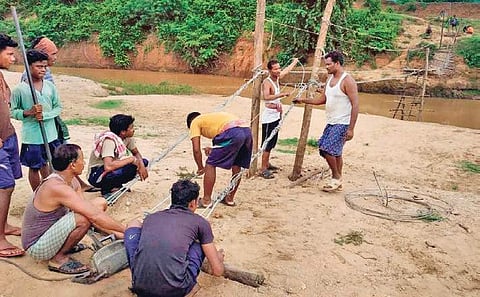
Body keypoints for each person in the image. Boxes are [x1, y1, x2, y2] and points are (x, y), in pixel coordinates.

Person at [21, 144, 125, 274]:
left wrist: (119, 235)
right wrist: (127, 231)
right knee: (83, 218)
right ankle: (58, 259)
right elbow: (92, 216)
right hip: (36, 246)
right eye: (82, 159)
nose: (84, 162)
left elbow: (91, 213)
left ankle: (64, 247)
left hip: (50, 233)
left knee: (100, 202)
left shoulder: (71, 180)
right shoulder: (57, 187)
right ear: (73, 165)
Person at [125, 179, 225, 297]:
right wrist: (218, 258)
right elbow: (218, 271)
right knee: (199, 243)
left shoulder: (152, 217)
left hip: (139, 286)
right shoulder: (200, 222)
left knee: (134, 224)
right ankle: (189, 288)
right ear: (193, 203)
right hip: (175, 291)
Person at [293, 51, 359, 192]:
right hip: (331, 121)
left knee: (325, 148)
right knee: (336, 152)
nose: (326, 67)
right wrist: (303, 100)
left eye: (329, 64)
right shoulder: (329, 79)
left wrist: (351, 128)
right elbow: (322, 99)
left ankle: (336, 178)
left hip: (343, 122)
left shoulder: (348, 81)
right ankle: (338, 178)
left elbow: (355, 105)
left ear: (337, 63)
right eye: (325, 64)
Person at [10, 49, 62, 191]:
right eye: (39, 66)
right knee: (35, 167)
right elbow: (12, 112)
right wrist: (28, 112)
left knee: (48, 163)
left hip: (50, 134)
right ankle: (37, 193)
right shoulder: (20, 90)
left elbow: (58, 107)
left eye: (45, 66)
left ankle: (49, 190)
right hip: (32, 137)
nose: (43, 70)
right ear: (29, 67)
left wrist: (45, 115)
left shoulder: (50, 87)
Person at [186, 111, 252, 207]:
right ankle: (230, 198)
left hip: (233, 133)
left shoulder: (194, 122)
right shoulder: (211, 118)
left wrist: (200, 167)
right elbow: (224, 140)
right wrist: (213, 149)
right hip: (247, 131)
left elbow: (196, 149)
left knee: (210, 164)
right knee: (237, 164)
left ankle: (206, 200)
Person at [0, 33, 24, 258]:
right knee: (4, 185)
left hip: (7, 136)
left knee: (7, 185)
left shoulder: (0, 76)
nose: (13, 58)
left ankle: (3, 225)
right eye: (9, 54)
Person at [87, 114, 148, 197]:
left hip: (110, 169)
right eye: (131, 128)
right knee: (129, 166)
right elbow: (108, 166)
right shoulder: (109, 141)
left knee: (144, 162)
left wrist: (141, 165)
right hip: (97, 174)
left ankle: (116, 185)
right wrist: (131, 160)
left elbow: (136, 153)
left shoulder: (127, 138)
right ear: (123, 131)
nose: (134, 130)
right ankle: (107, 189)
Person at [260, 58, 298, 179]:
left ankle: (267, 163)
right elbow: (266, 97)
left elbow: (286, 71)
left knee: (272, 142)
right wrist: (282, 94)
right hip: (269, 118)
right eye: (275, 69)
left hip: (276, 115)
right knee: (267, 143)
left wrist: (294, 62)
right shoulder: (267, 82)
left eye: (279, 68)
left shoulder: (277, 78)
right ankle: (263, 169)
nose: (278, 70)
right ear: (270, 70)